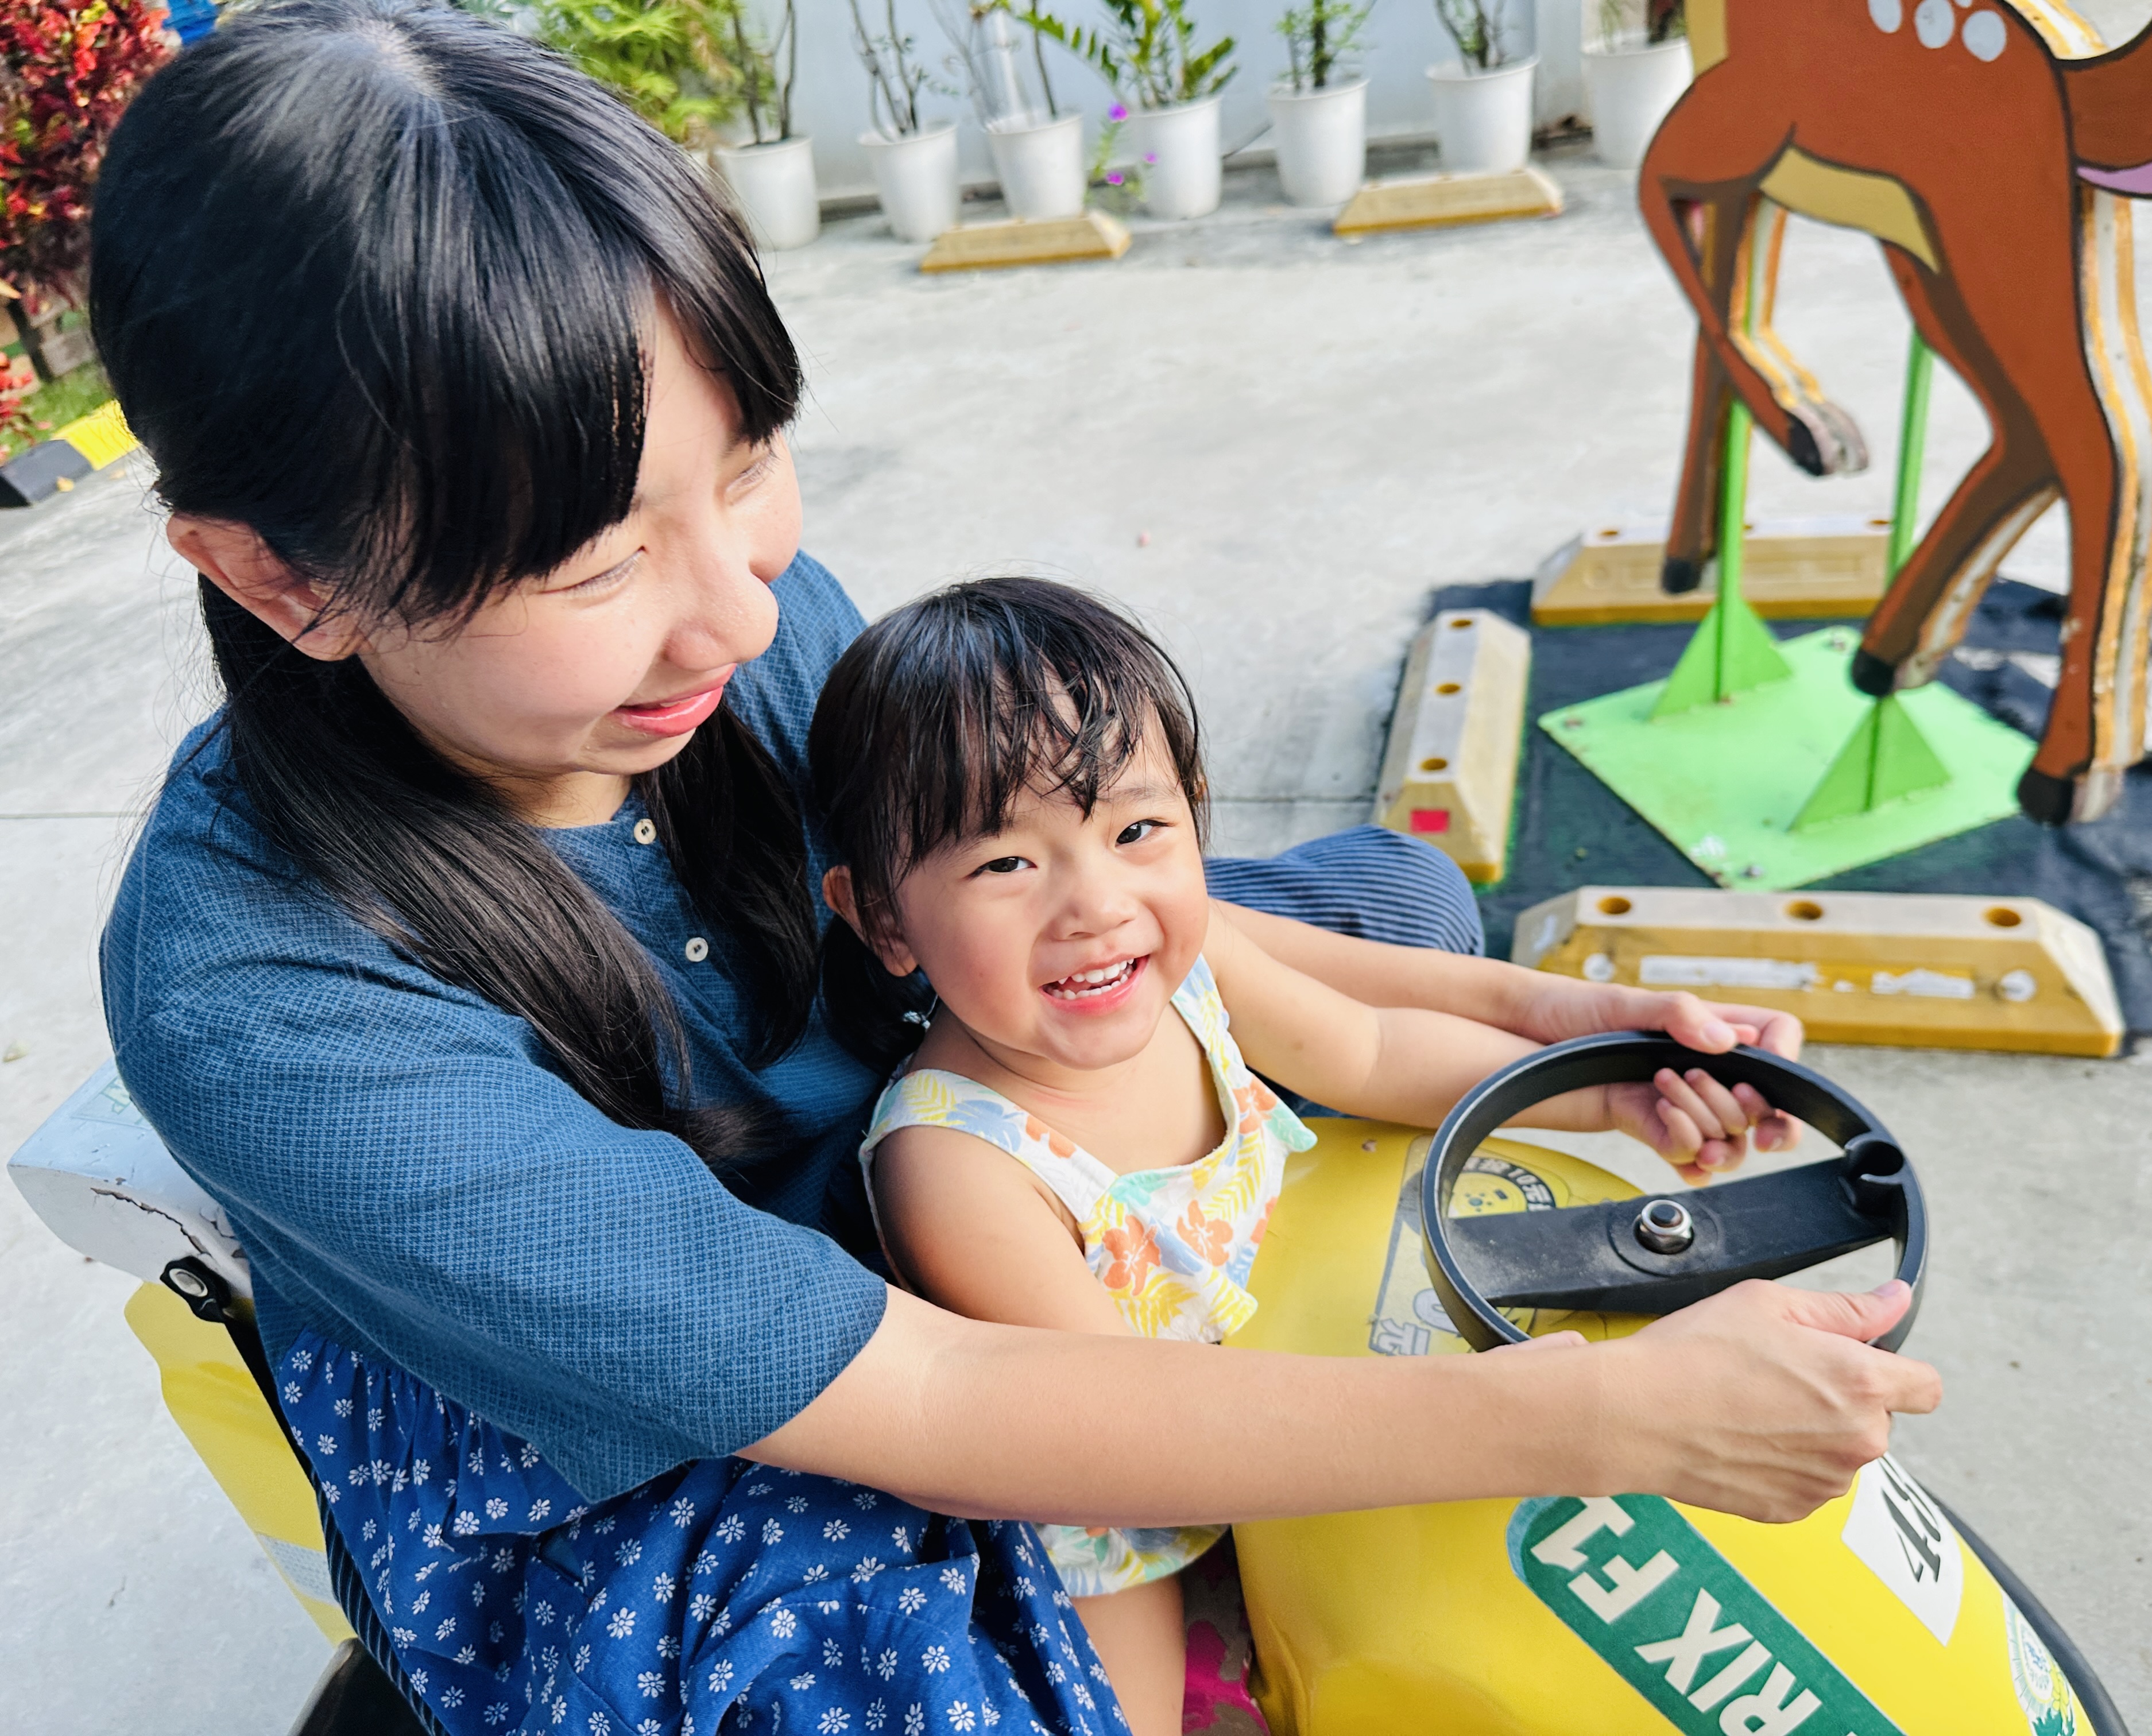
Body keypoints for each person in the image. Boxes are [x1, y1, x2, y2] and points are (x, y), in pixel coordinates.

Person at [89, 3, 1940, 1732]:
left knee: (1389, 911)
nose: (739, 608)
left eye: (747, 468)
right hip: (725, 1384)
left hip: (941, 1117)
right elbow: (935, 1397)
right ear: (281, 578)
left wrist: (1575, 1027)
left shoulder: (746, 636)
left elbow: (1159, 946)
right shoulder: (262, 995)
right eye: (593, 567)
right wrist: (1594, 1418)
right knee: (906, 1662)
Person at [812, 576, 1820, 1733]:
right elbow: (1142, 1436)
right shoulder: (958, 1160)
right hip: (1133, 1502)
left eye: (1137, 831)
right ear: (884, 919)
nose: (1095, 903)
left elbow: (1375, 1047)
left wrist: (1613, 1092)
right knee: (1126, 1712)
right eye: (1005, 866)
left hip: (1304, 1336)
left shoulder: (1183, 964)